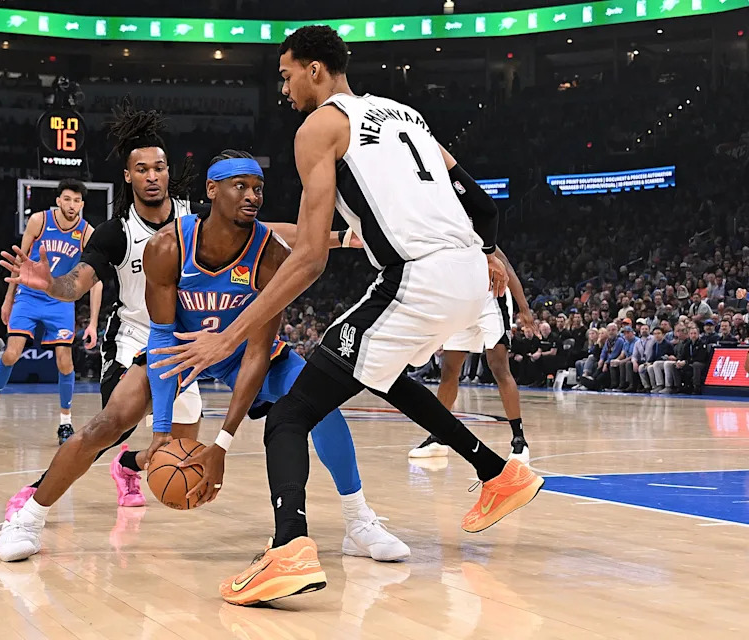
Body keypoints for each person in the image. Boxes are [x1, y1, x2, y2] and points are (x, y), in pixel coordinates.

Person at [149, 26, 543, 605]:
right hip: (470, 273)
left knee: (288, 418)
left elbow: (307, 258)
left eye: (286, 75)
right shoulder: (406, 114)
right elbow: (481, 205)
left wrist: (225, 338)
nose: (283, 90)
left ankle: (288, 549)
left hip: (417, 276)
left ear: (314, 69)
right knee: (384, 377)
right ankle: (497, 472)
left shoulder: (320, 126)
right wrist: (484, 257)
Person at [0, 150, 408, 567]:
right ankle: (28, 519)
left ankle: (359, 522)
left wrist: (223, 443)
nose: (252, 196)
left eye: (258, 189)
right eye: (240, 186)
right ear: (212, 190)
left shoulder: (271, 256)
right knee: (106, 424)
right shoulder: (167, 246)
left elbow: (260, 351)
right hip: (179, 349)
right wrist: (158, 434)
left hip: (242, 350)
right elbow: (160, 336)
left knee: (321, 407)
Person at [0, 179, 103, 445]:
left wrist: (93, 322)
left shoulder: (87, 233)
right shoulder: (39, 221)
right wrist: (9, 300)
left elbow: (95, 278)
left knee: (65, 361)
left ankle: (65, 423)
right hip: (28, 296)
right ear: (58, 201)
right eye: (67, 199)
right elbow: (19, 261)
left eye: (76, 200)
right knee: (11, 354)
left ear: (82, 204)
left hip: (61, 299)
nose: (71, 205)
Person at [409, 246, 534, 463]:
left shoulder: (476, 229)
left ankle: (519, 439)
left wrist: (524, 308)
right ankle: (438, 436)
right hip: (462, 303)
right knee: (449, 370)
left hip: (491, 298)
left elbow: (507, 266)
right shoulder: (438, 241)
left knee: (498, 366)